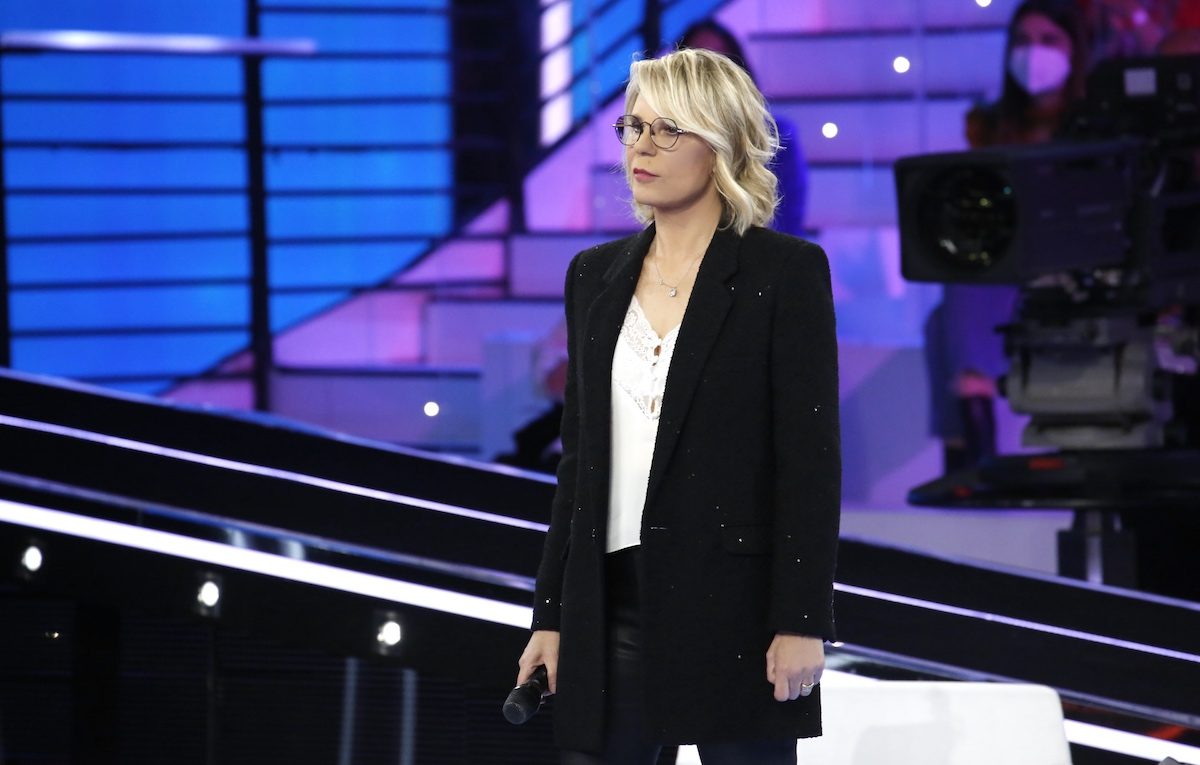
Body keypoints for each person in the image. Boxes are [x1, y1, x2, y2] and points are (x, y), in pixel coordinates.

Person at [514, 48, 841, 764]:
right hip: (610, 604)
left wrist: (801, 619)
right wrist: (552, 614)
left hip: (738, 607)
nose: (642, 147)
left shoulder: (784, 272)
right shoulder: (593, 275)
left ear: (720, 143)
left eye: (668, 130)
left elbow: (809, 464)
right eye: (633, 127)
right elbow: (579, 464)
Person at [926, 0, 1089, 472]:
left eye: (1048, 40)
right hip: (1007, 262)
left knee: (953, 312)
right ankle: (973, 438)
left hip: (1074, 261)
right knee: (946, 310)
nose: (1033, 53)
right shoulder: (990, 126)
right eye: (1022, 41)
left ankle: (969, 452)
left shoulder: (1093, 122)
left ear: (1075, 49)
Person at [680, 19, 809, 236]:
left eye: (719, 63)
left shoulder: (775, 137)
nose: (708, 76)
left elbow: (786, 223)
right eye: (697, 64)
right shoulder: (668, 136)